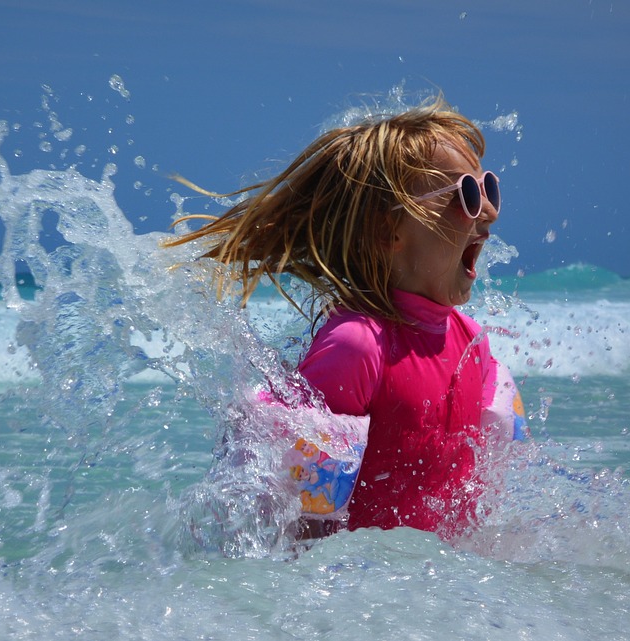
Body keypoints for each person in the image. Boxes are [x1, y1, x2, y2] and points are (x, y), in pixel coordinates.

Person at [164, 95, 524, 540]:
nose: (488, 211)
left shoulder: (471, 342)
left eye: (488, 188)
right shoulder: (358, 347)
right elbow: (300, 523)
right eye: (465, 196)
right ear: (388, 230)